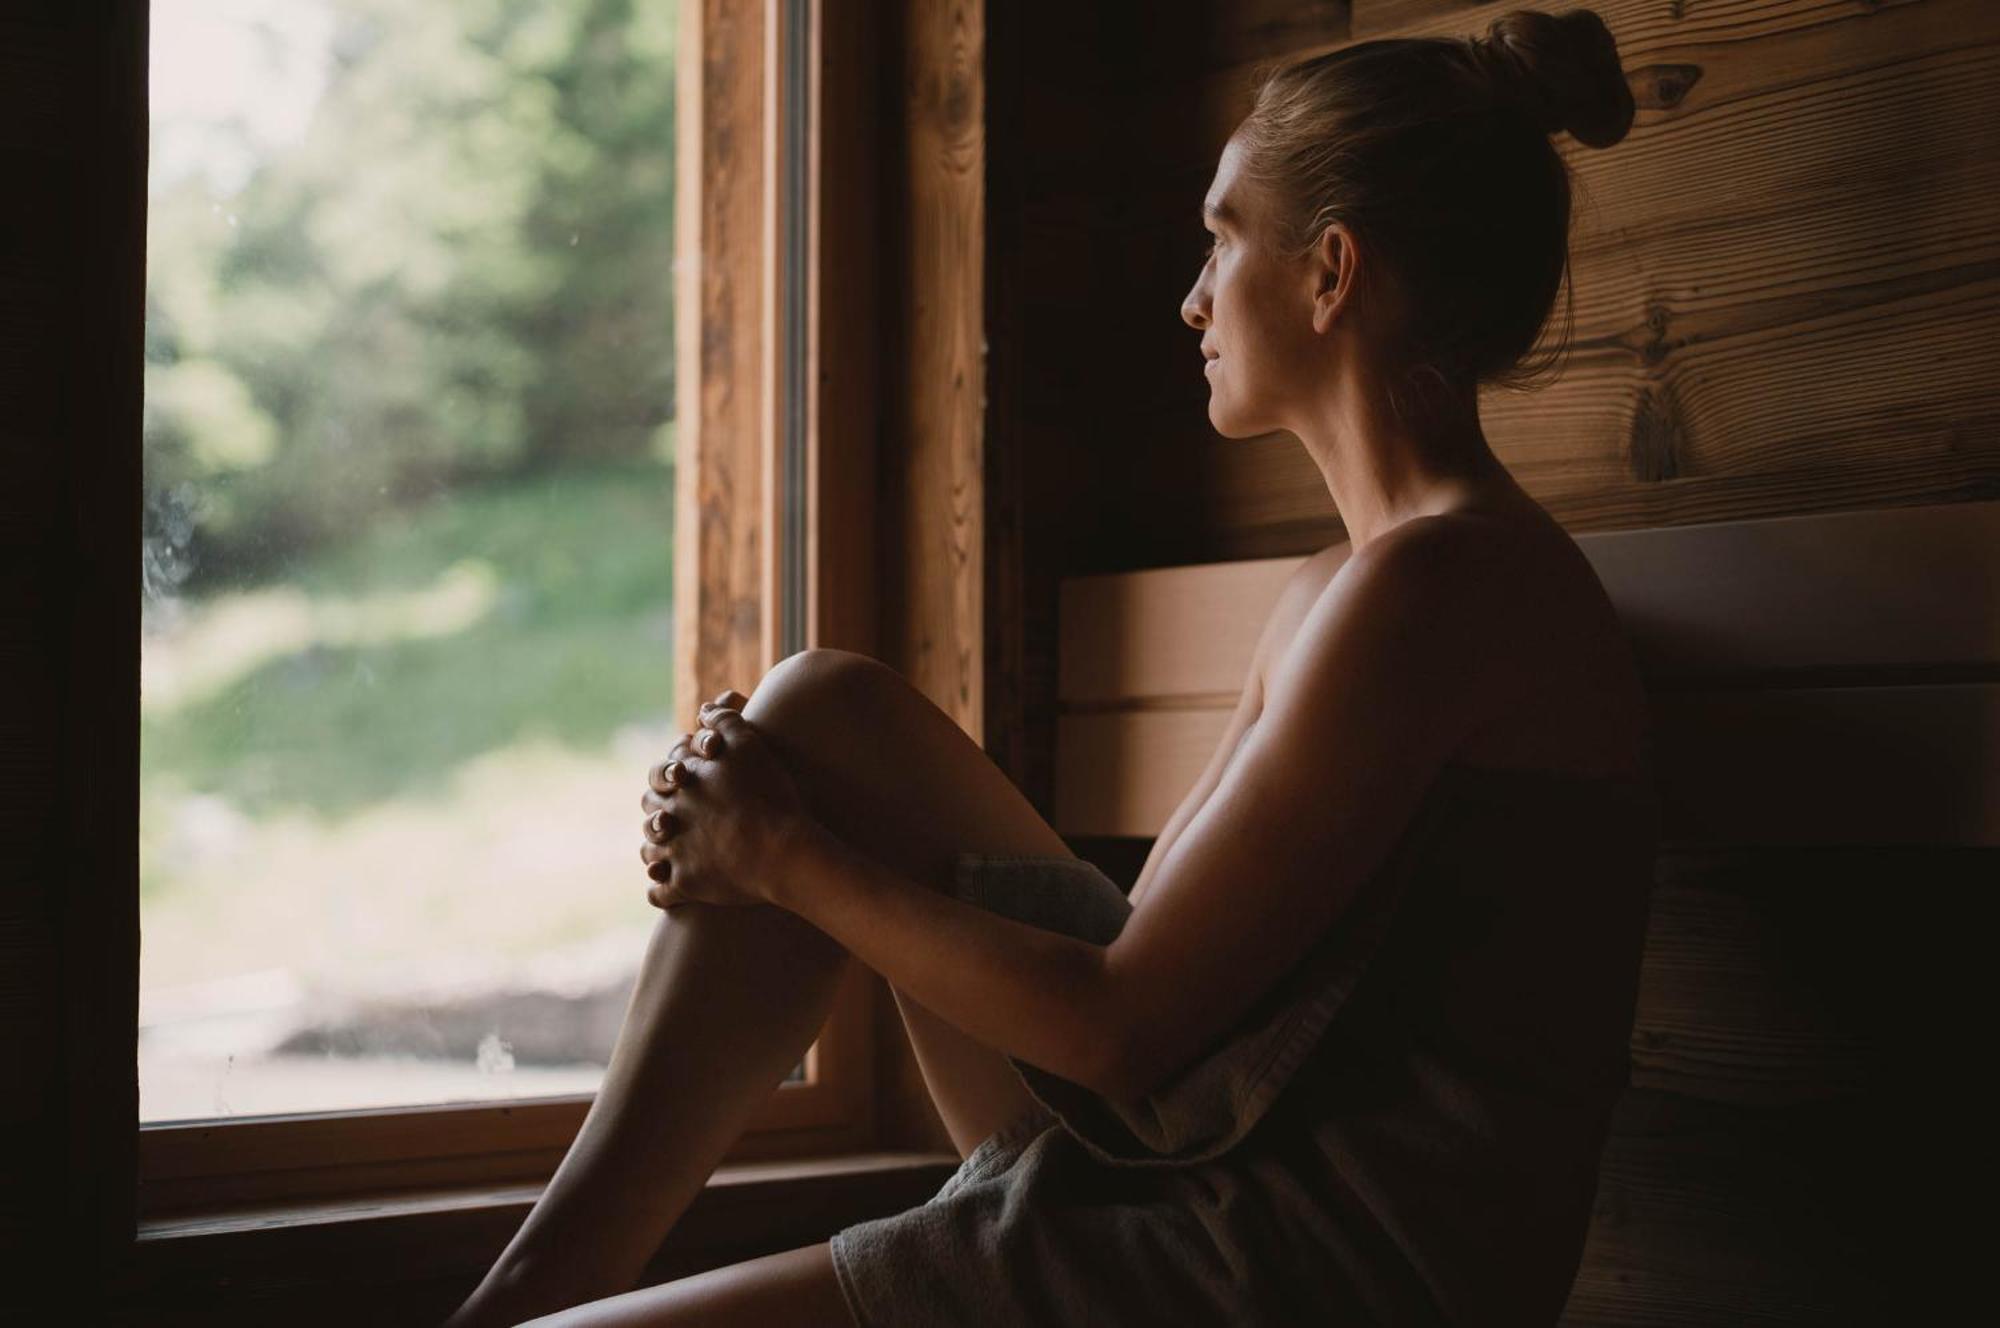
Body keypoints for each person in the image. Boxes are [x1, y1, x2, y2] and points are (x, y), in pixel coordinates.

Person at [444, 7, 1657, 1325]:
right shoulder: (1355, 584)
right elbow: (1145, 993)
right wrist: (775, 819)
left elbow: (1119, 1030)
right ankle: (530, 1281)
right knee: (825, 710)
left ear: (1331, 272)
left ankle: (528, 1299)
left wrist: (780, 856)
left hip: (1294, 1265)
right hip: (1203, 1162)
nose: (1193, 293)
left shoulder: (1435, 593)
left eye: (1223, 236)